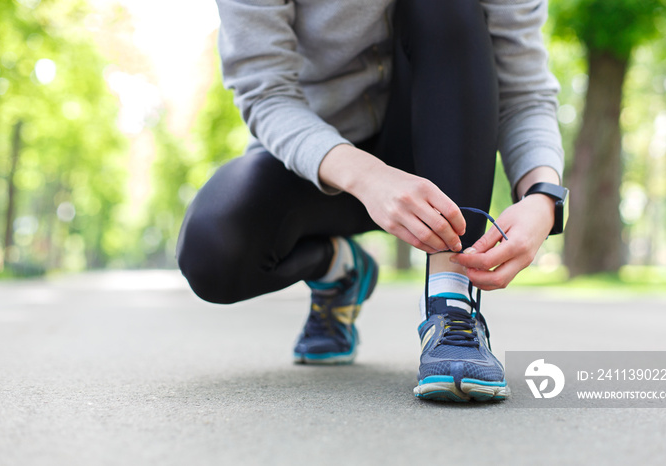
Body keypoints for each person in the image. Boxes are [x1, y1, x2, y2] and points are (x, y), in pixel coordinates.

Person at [177, 0, 567, 402]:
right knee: (214, 252)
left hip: (440, 149)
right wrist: (367, 177)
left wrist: (543, 196)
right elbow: (266, 92)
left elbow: (525, 90)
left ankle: (451, 305)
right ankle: (338, 268)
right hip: (317, 155)